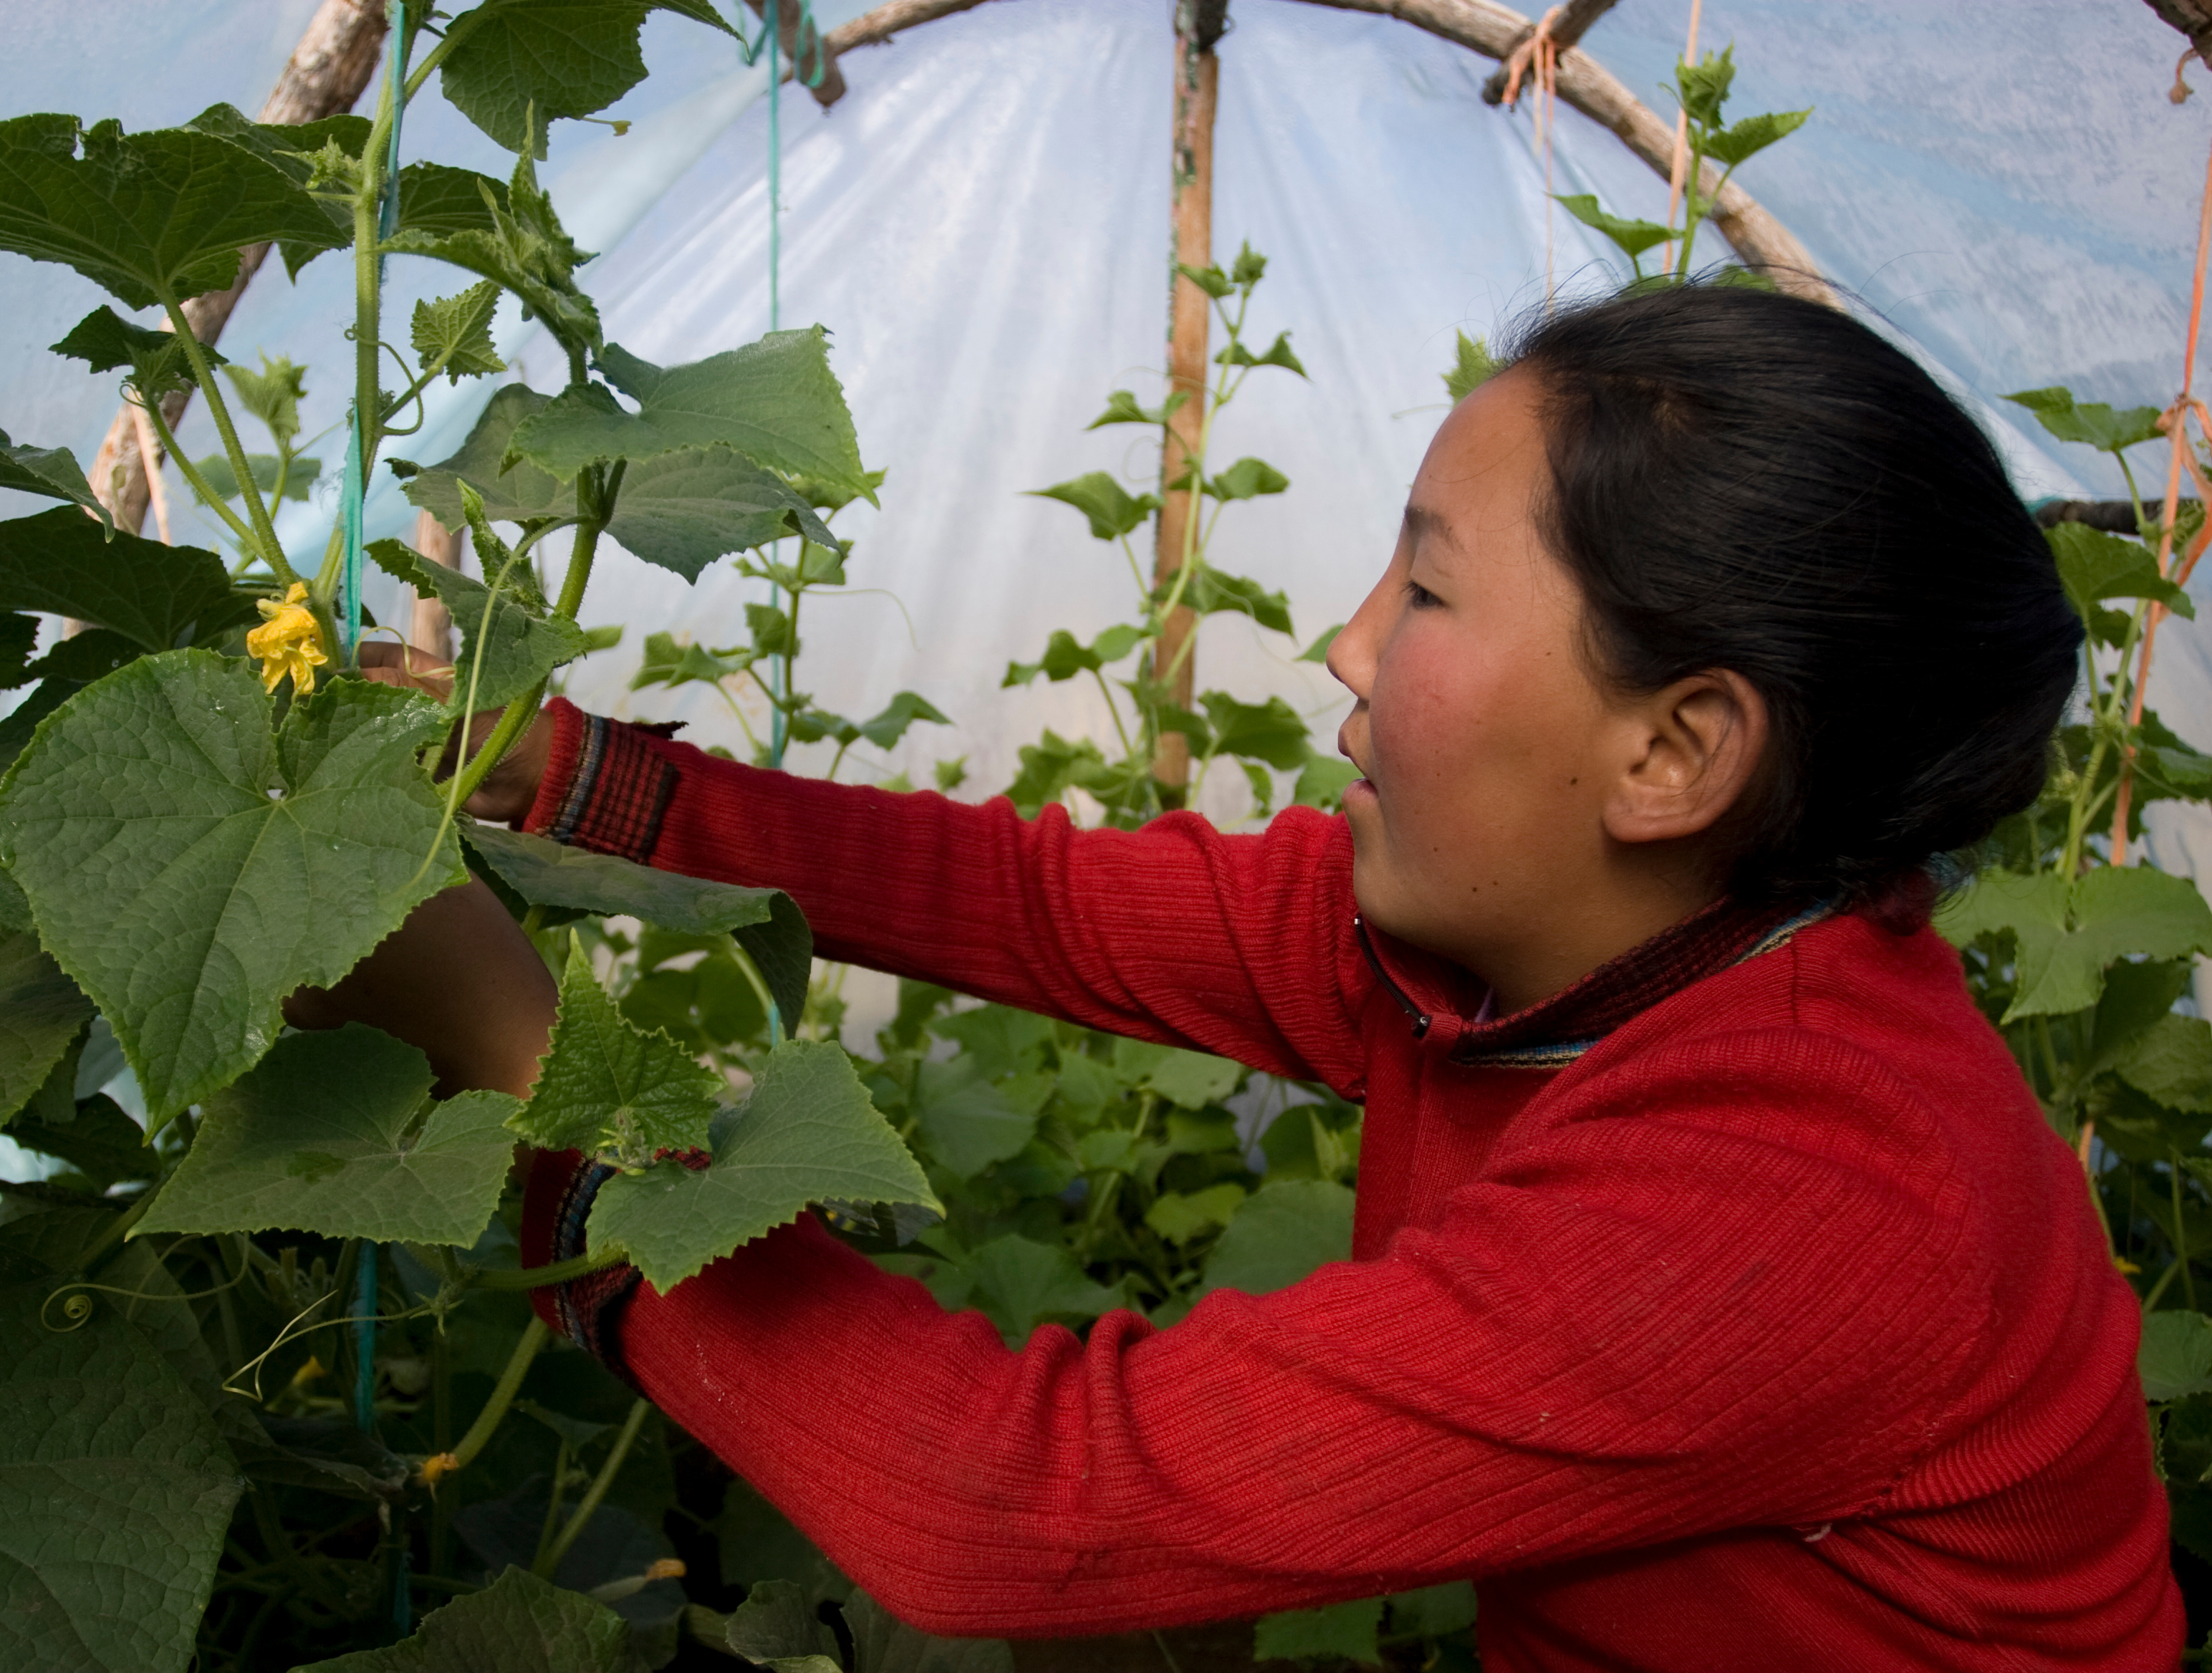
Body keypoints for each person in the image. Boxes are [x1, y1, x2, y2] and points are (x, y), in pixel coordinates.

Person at [321, 281, 2183, 1667]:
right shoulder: (1539, 947)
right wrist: (566, 780)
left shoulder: (1800, 1197)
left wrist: (531, 1072)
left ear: (1675, 754)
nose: (1348, 641)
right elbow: (1033, 905)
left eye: (1433, 591)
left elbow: (1018, 1506)